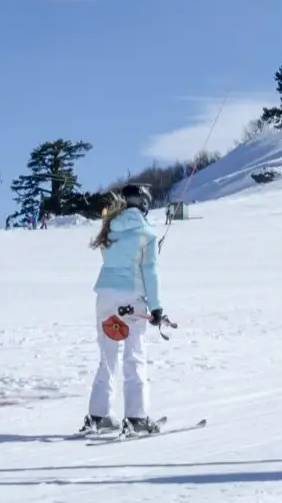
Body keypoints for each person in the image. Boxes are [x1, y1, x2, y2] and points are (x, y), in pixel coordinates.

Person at [84, 184, 167, 436]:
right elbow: (149, 272)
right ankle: (136, 417)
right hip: (132, 297)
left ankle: (97, 417)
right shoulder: (147, 232)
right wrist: (156, 308)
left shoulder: (109, 227)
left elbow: (114, 261)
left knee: (107, 357)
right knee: (134, 355)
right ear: (144, 202)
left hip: (105, 297)